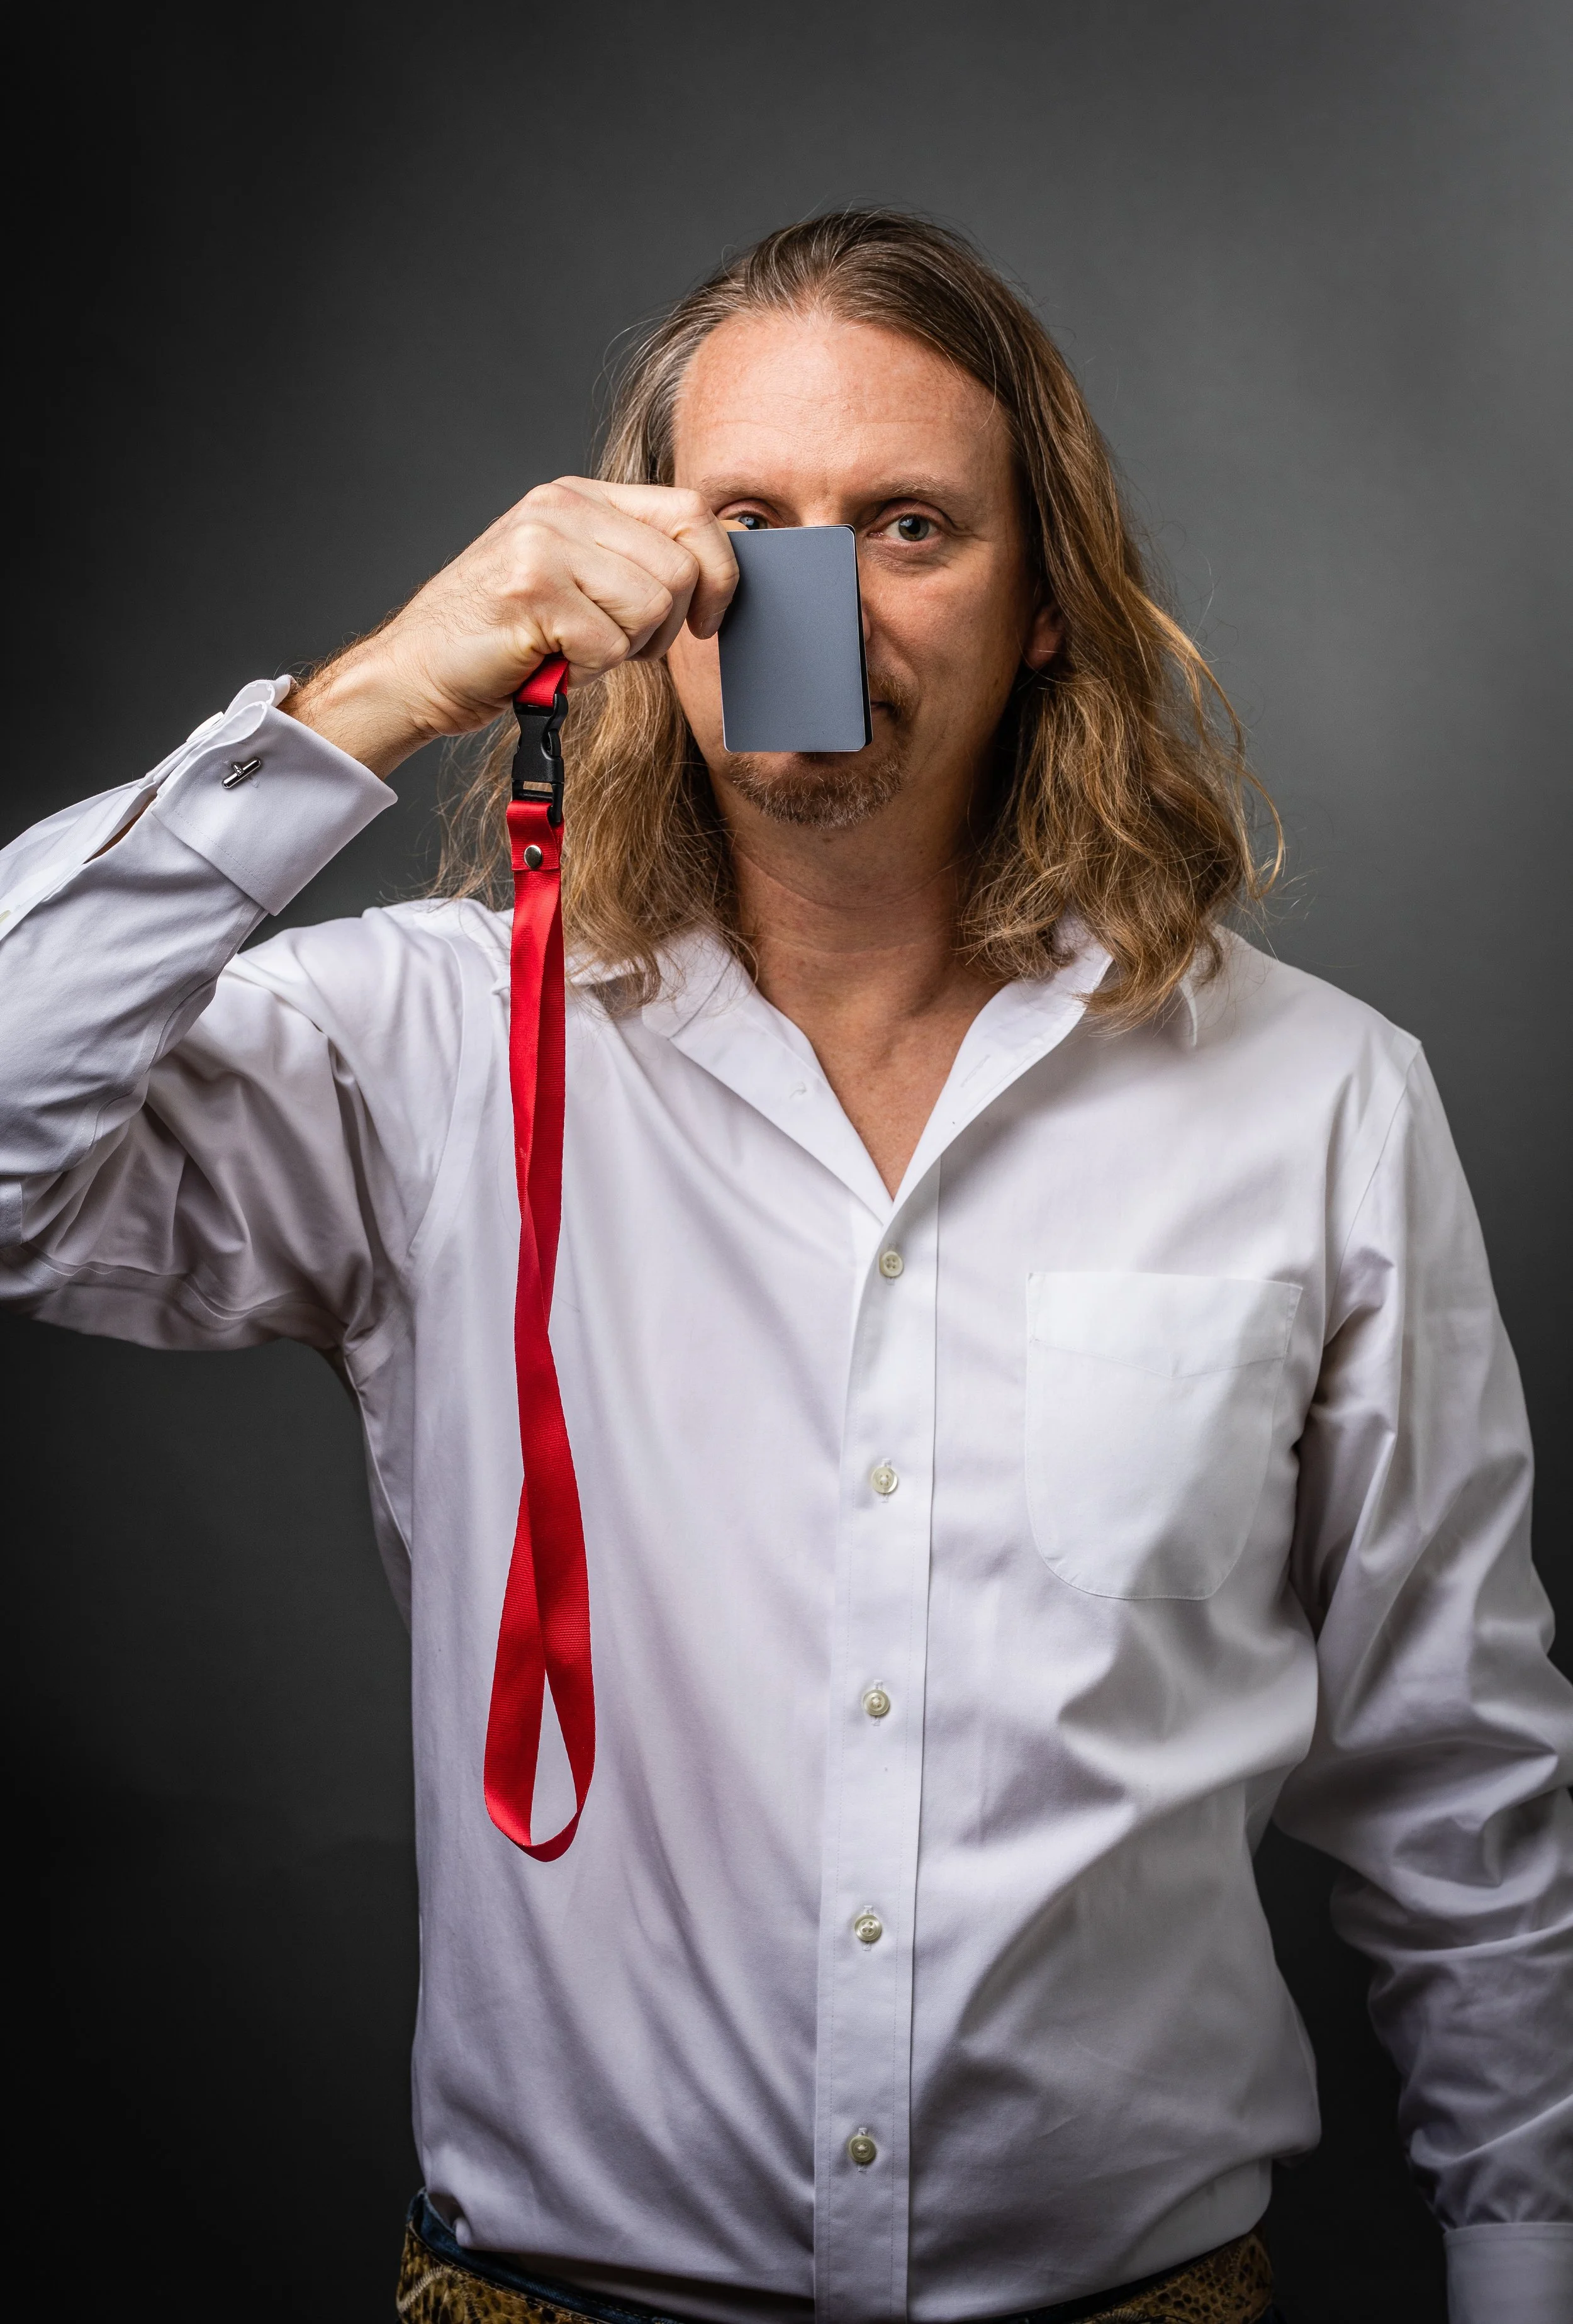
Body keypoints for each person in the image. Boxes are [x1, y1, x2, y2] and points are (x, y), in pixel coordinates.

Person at [1, 210, 1569, 2324]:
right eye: (743, 521)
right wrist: (382, 689)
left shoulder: (1315, 1099)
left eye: (907, 523)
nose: (811, 587)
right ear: (645, 583)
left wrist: (1525, 2267)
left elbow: (1461, 1778)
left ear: (1040, 606)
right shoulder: (433, 1046)